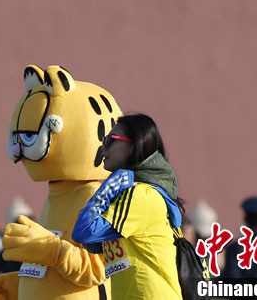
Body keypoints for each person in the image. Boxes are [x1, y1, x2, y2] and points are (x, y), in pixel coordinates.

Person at [71, 113, 184, 299]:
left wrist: (107, 188)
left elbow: (84, 231)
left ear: (134, 145)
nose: (102, 148)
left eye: (110, 140)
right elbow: (91, 242)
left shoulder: (140, 195)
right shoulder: (136, 194)